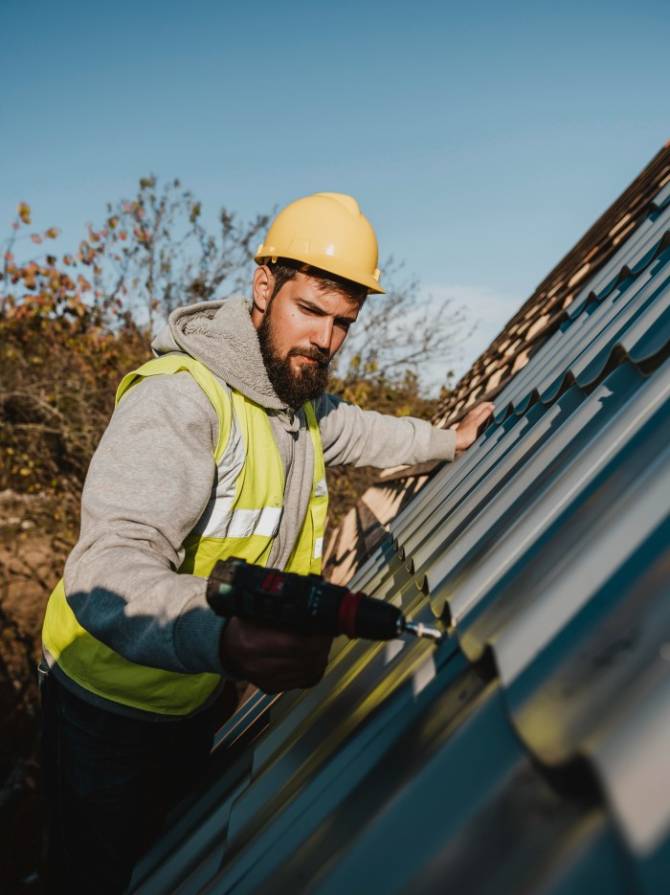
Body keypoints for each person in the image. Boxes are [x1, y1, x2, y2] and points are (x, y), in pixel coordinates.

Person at [39, 192, 493, 893]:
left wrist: (448, 442)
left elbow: (366, 431)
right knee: (96, 876)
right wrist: (224, 639)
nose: (326, 339)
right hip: (105, 708)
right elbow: (108, 565)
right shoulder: (179, 400)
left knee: (168, 866)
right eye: (310, 309)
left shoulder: (296, 401)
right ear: (263, 286)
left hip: (195, 688)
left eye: (343, 322)